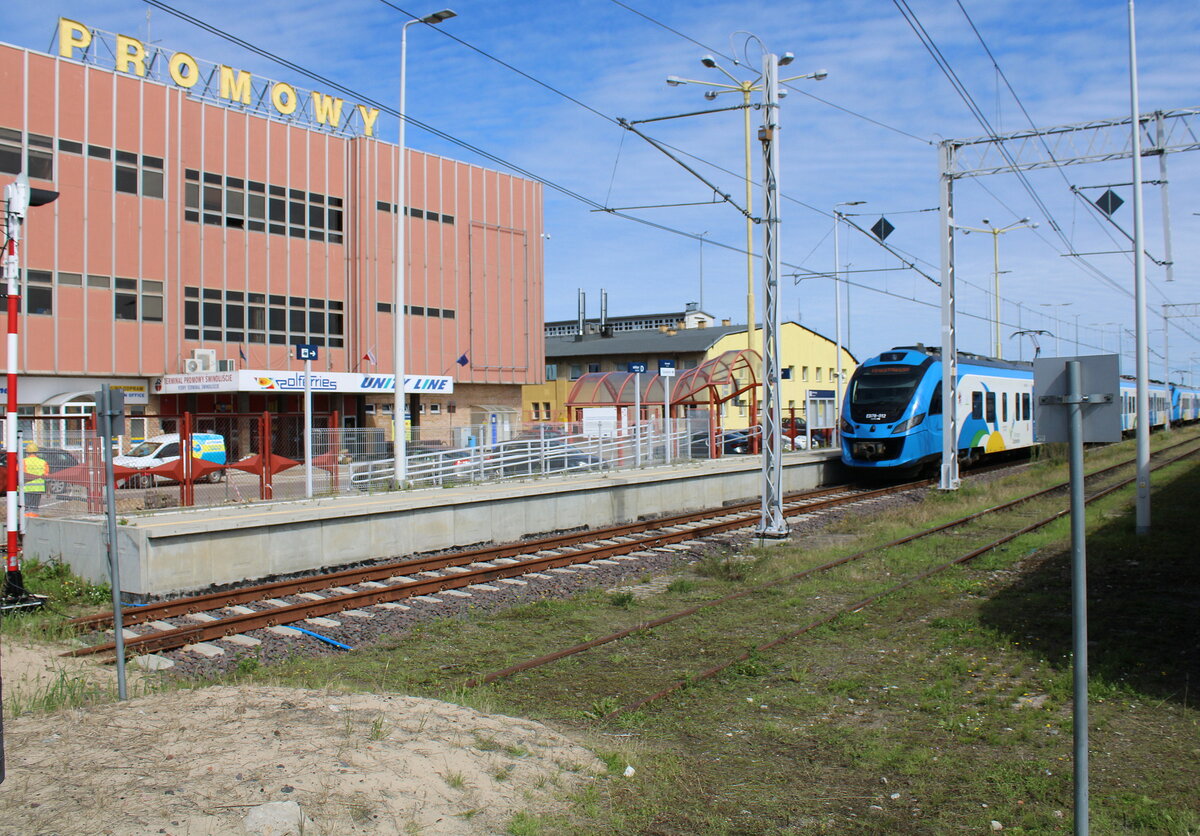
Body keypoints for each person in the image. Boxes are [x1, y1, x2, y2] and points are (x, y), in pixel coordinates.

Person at [22, 442, 48, 514]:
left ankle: (26, 521)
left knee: (26, 507)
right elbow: (46, 475)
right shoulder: (43, 462)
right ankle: (34, 520)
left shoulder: (23, 462)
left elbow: (18, 474)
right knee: (35, 507)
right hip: (38, 488)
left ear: (27, 452)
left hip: (26, 488)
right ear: (37, 452)